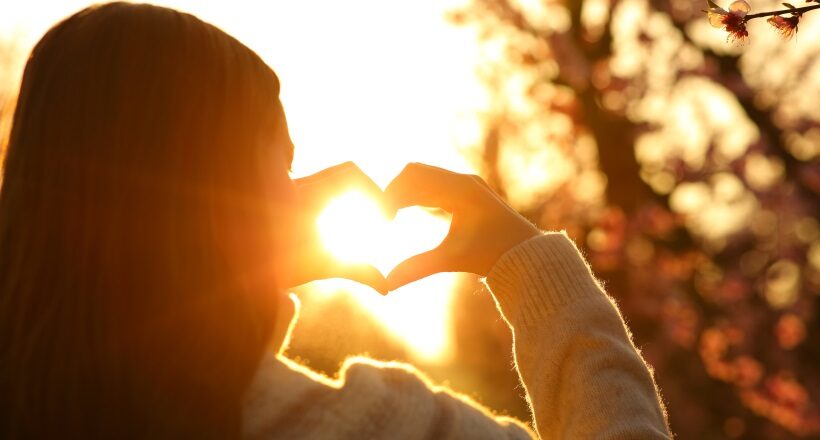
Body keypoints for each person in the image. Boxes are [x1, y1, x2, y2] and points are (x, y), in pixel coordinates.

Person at [0, 3, 671, 439]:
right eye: (281, 163)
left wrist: (245, 284)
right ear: (227, 190)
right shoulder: (366, 427)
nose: (295, 187)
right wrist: (530, 265)